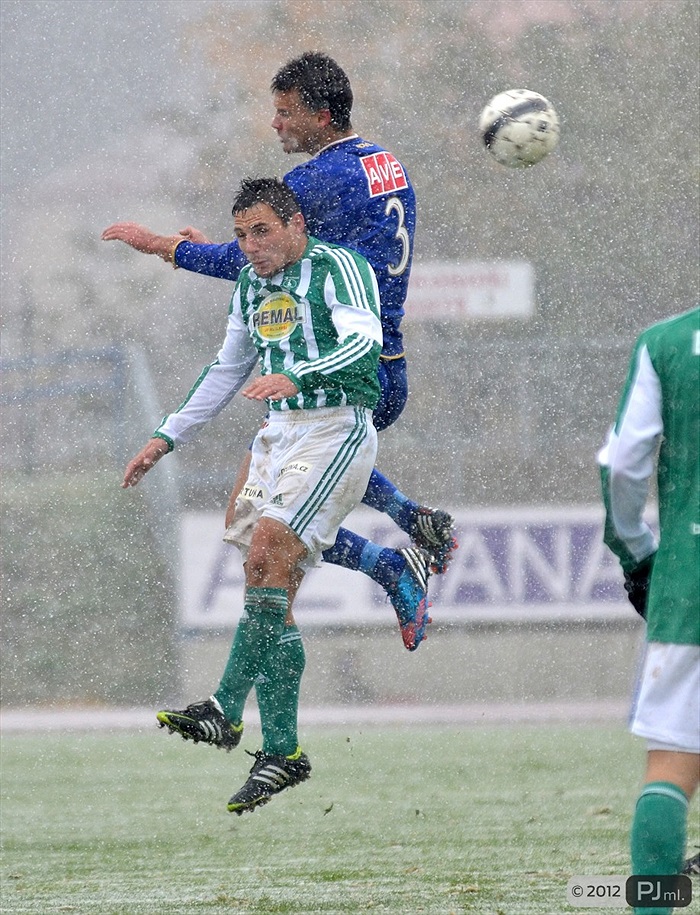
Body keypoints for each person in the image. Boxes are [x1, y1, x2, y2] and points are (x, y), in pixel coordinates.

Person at [102, 52, 456, 654]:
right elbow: (282, 252)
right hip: (385, 361)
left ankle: (390, 556)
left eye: (285, 113)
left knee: (265, 530)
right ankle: (404, 528)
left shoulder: (313, 181)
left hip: (342, 371)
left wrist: (165, 247)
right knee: (257, 516)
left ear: (321, 115)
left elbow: (249, 262)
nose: (276, 125)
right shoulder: (383, 161)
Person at [124, 177, 385, 813]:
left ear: (296, 223)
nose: (250, 246)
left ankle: (224, 708)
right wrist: (166, 436)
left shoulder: (337, 267)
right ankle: (283, 752)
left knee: (268, 552)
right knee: (266, 583)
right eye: (240, 235)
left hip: (335, 426)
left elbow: (364, 341)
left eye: (261, 231)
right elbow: (225, 369)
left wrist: (298, 372)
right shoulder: (249, 284)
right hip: (278, 434)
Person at [597, 307, 699, 913]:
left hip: (691, 579)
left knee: (672, 765)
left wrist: (637, 551)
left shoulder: (668, 342)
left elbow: (623, 463)